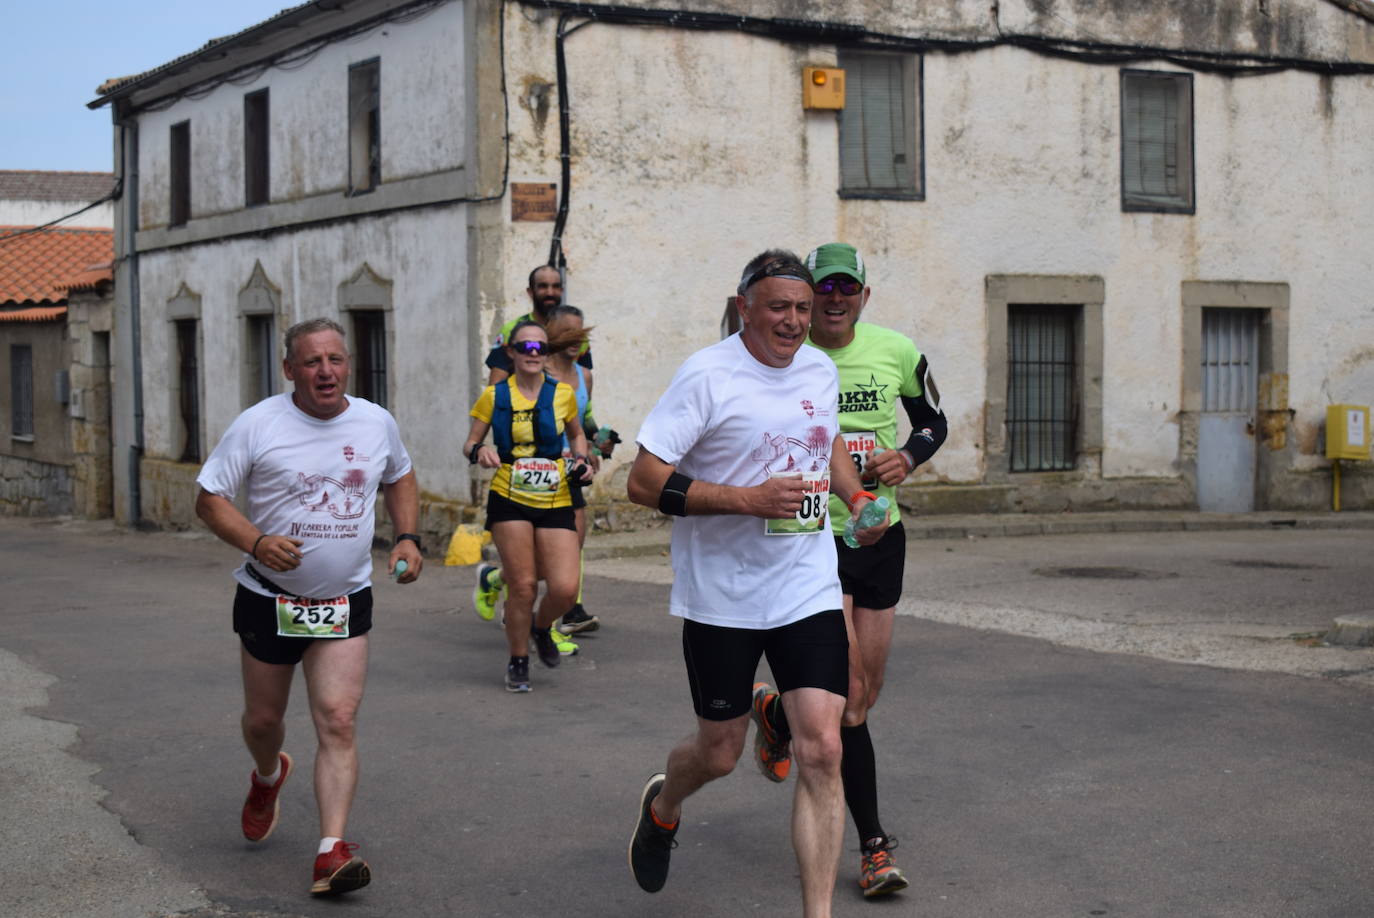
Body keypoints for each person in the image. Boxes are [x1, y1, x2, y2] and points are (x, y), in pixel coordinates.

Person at [624, 249, 889, 918]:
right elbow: (644, 482)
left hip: (806, 583)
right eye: (779, 307)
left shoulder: (820, 369)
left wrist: (854, 498)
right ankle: (663, 807)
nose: (795, 321)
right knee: (718, 753)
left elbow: (823, 439)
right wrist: (746, 500)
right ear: (744, 307)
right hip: (722, 595)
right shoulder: (707, 377)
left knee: (823, 749)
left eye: (802, 308)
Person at [194, 317, 423, 897]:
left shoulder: (375, 422)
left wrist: (407, 536)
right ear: (290, 369)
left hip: (344, 601)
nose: (326, 371)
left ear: (348, 364)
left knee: (338, 720)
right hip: (269, 599)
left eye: (336, 360)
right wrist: (257, 542)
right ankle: (268, 775)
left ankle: (331, 853)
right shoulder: (259, 424)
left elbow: (400, 474)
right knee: (264, 722)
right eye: (313, 361)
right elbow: (209, 499)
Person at [750, 242, 947, 898]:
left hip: (879, 535)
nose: (834, 300)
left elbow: (933, 422)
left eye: (845, 289)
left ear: (864, 294)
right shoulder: (790, 359)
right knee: (848, 689)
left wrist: (906, 460)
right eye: (822, 290)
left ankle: (778, 712)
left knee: (864, 697)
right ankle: (872, 845)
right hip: (814, 542)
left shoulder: (896, 351)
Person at [462, 320, 594, 691]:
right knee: (522, 586)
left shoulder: (563, 394)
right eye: (525, 348)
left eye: (540, 348)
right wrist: (481, 450)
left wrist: (581, 459)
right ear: (512, 353)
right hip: (509, 497)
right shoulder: (494, 396)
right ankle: (518, 659)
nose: (533, 355)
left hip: (555, 496)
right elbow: (469, 442)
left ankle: (541, 628)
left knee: (565, 588)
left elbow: (576, 432)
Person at [483, 264, 593, 385]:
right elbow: (495, 386)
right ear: (530, 292)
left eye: (556, 286)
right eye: (543, 286)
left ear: (561, 291)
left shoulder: (577, 334)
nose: (550, 292)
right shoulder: (511, 330)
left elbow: (584, 382)